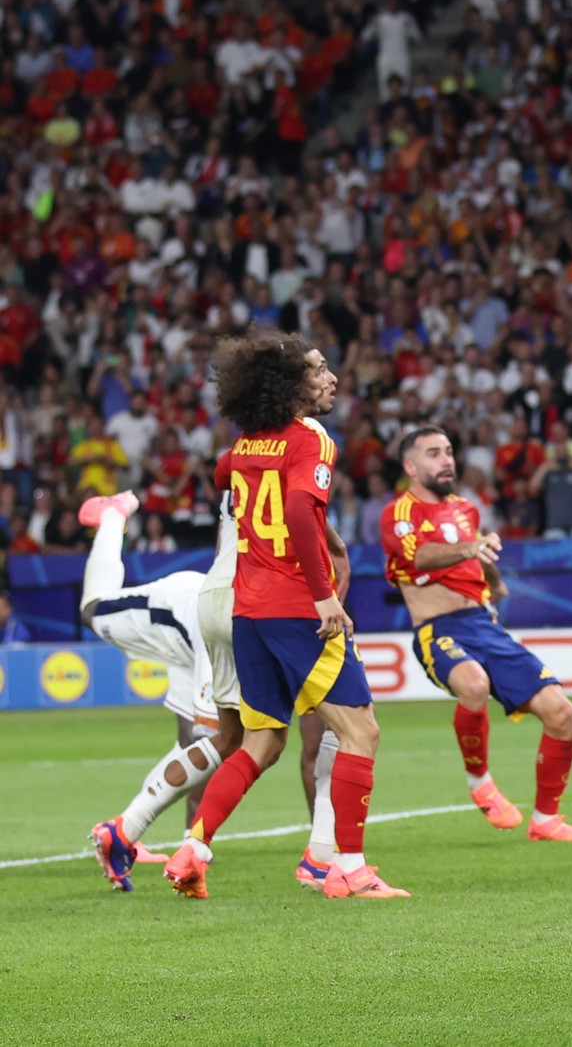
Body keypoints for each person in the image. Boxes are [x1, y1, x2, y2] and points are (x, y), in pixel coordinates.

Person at [162, 333, 408, 900]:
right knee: (360, 730)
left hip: (249, 609)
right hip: (298, 609)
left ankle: (193, 849)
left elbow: (222, 475)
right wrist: (325, 596)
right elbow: (298, 506)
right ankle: (349, 868)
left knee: (262, 744)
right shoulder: (311, 441)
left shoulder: (248, 442)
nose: (333, 378)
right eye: (319, 370)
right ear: (289, 386)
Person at [381, 425, 572, 842]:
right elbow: (421, 555)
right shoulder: (398, 512)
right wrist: (469, 548)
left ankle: (546, 820)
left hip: (484, 623)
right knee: (474, 683)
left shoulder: (466, 509)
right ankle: (479, 781)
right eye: (433, 453)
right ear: (411, 466)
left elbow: (477, 552)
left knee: (562, 712)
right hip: (436, 628)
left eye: (448, 451)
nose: (446, 459)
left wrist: (495, 581)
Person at [81, 489, 230, 891]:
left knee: (198, 742)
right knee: (92, 609)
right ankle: (113, 515)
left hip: (189, 637)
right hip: (166, 611)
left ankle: (174, 844)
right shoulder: (220, 627)